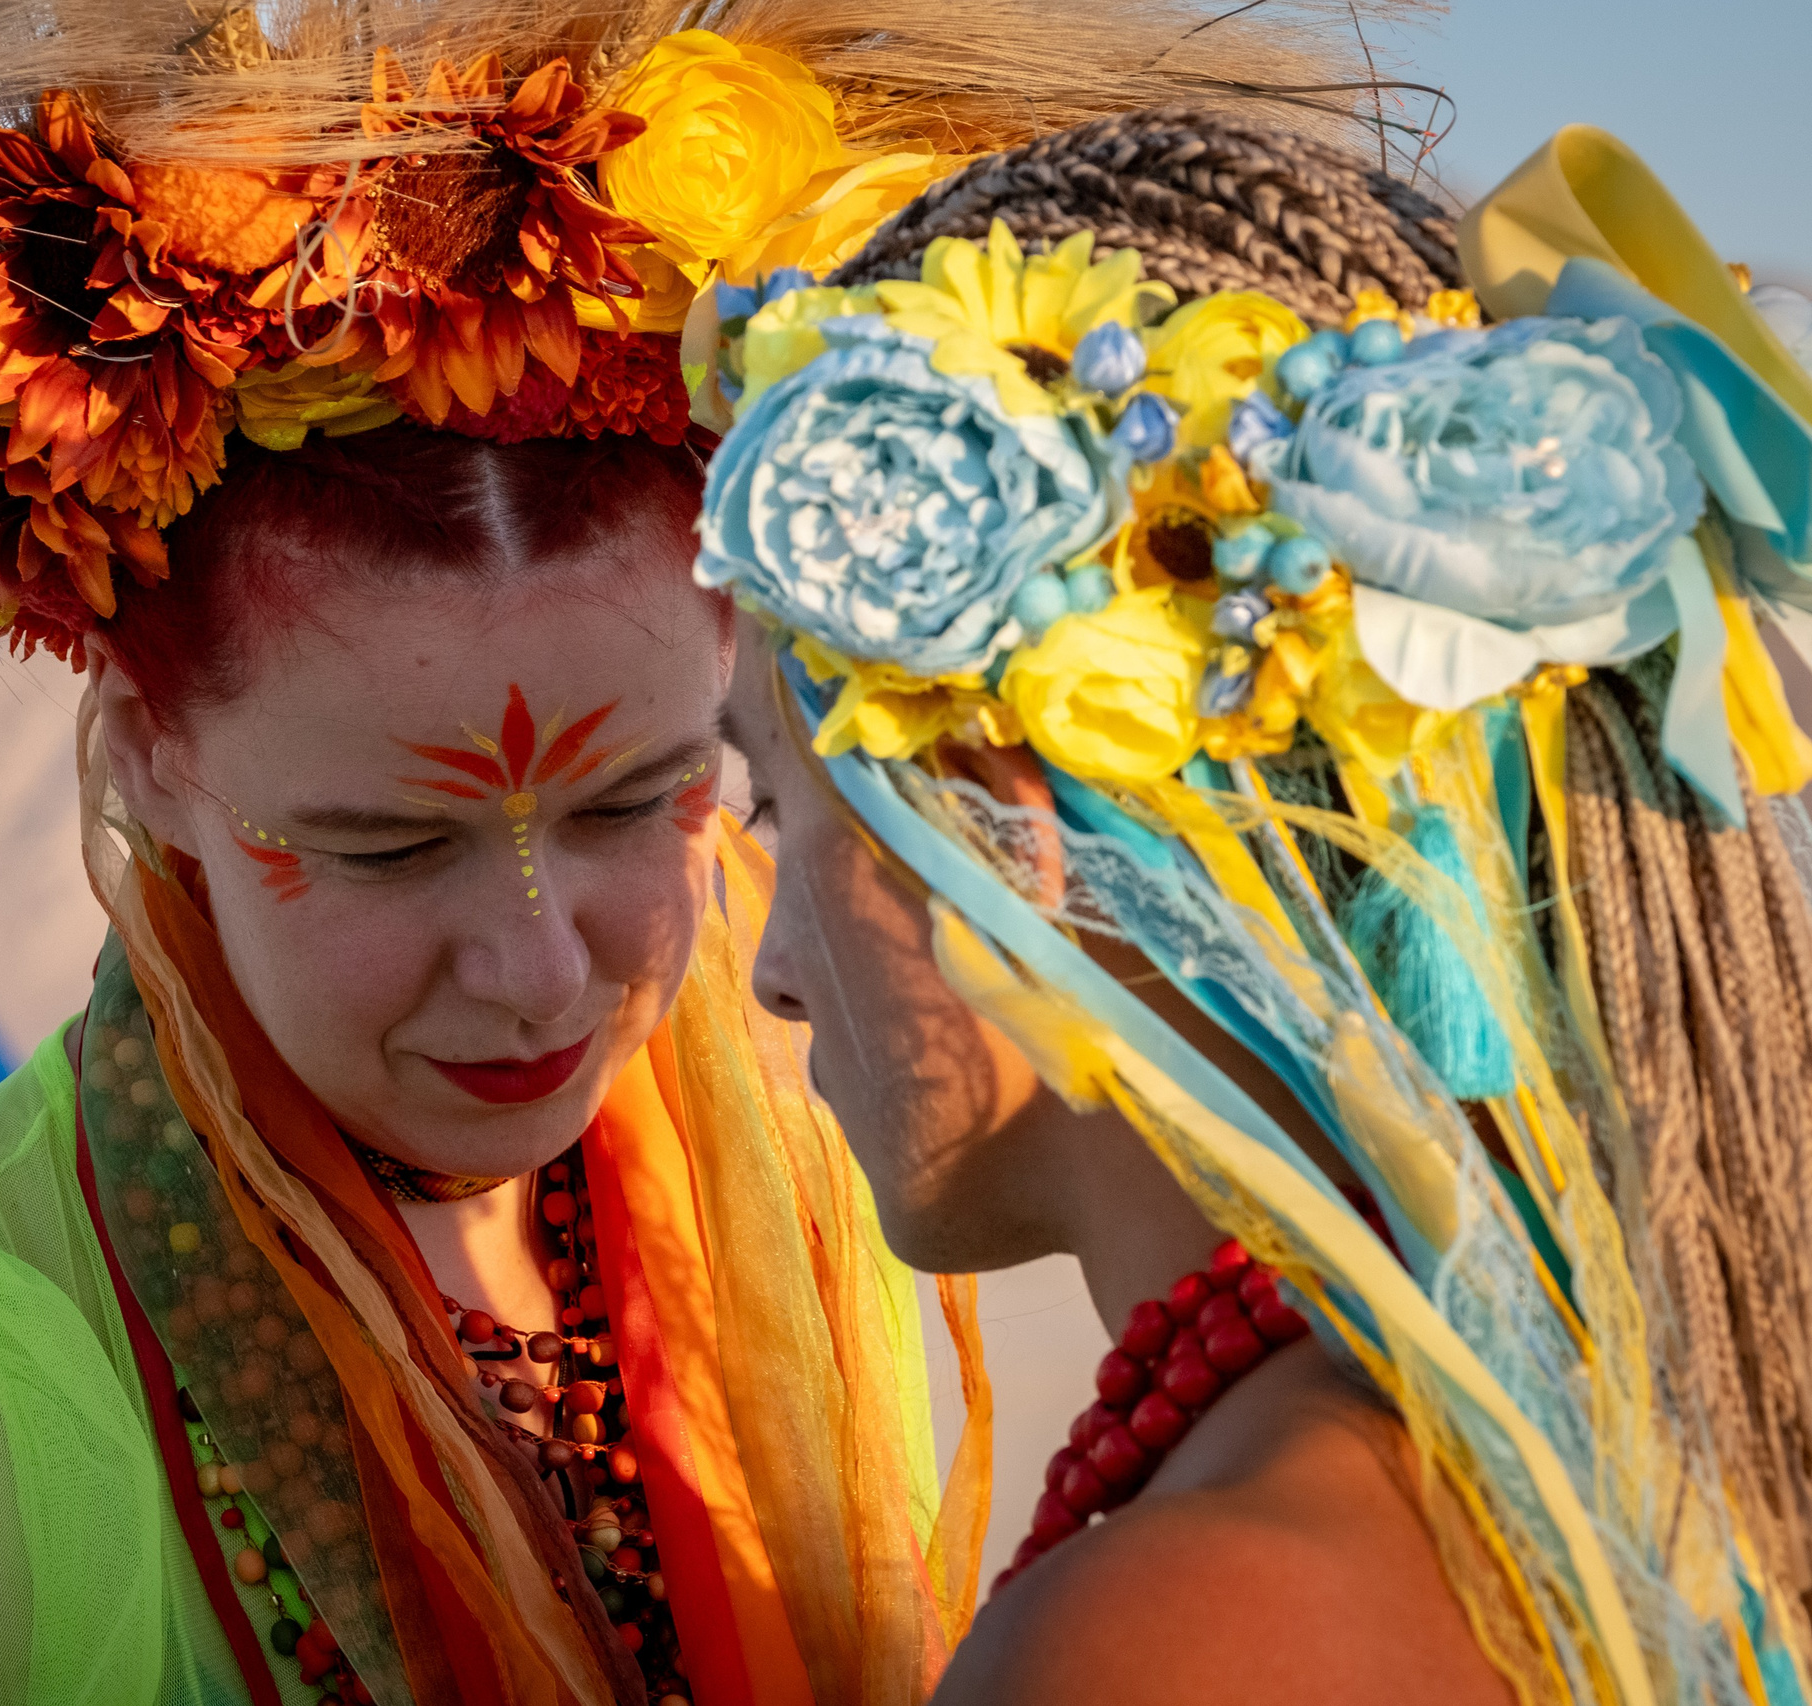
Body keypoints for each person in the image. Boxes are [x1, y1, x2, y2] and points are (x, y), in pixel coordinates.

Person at [0, 1, 1391, 1700]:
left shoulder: (812, 1120)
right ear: (152, 758)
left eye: (642, 799)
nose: (547, 969)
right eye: (395, 848)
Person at [702, 107, 1812, 1704]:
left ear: (1011, 826)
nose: (775, 972)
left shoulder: (1187, 1630)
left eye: (777, 803)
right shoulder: (1646, 1446)